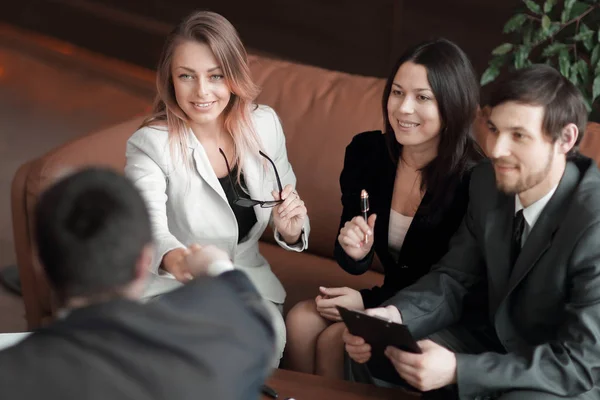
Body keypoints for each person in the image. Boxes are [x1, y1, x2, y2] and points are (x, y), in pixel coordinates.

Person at [344, 64, 600, 399]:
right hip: (491, 341)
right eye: (493, 129)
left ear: (565, 139)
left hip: (563, 370)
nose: (496, 150)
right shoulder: (486, 183)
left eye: (518, 136)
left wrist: (459, 370)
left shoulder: (593, 223)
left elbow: (582, 363)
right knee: (382, 352)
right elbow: (453, 278)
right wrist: (394, 316)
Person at [285, 38, 483, 379]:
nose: (403, 109)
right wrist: (356, 251)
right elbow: (349, 259)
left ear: (453, 107)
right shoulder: (368, 153)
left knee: (336, 339)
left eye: (422, 97)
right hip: (388, 296)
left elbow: (455, 285)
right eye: (396, 93)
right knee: (301, 321)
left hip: (437, 312)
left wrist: (368, 305)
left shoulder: (474, 180)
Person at [125, 11, 310, 366]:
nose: (202, 92)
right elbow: (146, 227)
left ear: (234, 77)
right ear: (170, 80)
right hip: (174, 289)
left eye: (215, 76)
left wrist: (291, 228)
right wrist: (181, 260)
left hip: (247, 285)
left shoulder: (264, 124)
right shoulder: (151, 144)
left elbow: (289, 206)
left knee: (261, 344)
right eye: (186, 77)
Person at [0, 168, 275, 400]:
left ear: (38, 263)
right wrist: (217, 266)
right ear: (145, 260)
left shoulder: (10, 374)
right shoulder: (234, 338)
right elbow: (248, 305)